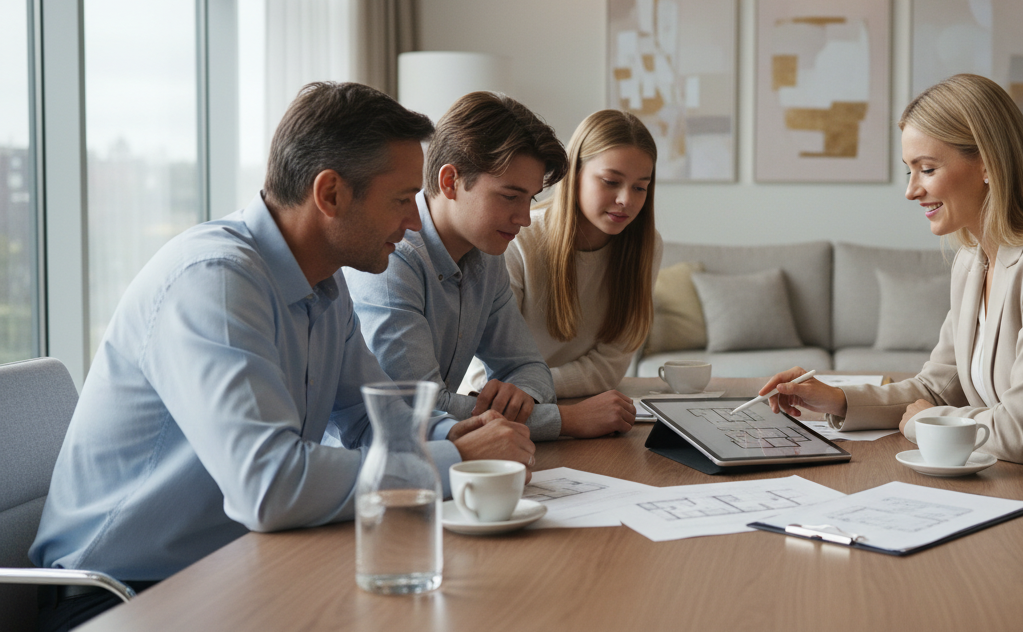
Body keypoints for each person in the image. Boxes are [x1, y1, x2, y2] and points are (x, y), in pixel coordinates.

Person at [29, 83, 534, 632]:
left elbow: (371, 419)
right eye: (400, 200)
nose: (415, 222)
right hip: (119, 597)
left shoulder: (324, 284)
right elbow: (269, 486)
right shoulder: (217, 282)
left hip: (236, 568)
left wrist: (460, 437)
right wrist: (453, 460)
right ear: (330, 194)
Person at [759, 74, 1023, 613]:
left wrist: (921, 423)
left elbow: (1021, 434)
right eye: (909, 170)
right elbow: (937, 385)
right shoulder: (973, 259)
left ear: (988, 163)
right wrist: (839, 399)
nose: (911, 190)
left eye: (927, 169)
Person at [347, 92, 635, 439]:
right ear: (450, 182)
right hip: (376, 460)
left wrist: (522, 397)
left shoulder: (487, 254)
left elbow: (529, 368)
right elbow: (423, 408)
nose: (525, 218)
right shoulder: (392, 260)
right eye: (510, 196)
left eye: (529, 199)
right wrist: (566, 419)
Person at [464, 109, 662, 399]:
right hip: (500, 409)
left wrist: (530, 388)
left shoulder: (647, 247)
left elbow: (609, 367)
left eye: (640, 187)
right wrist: (532, 392)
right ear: (574, 173)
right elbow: (483, 376)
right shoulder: (518, 238)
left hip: (569, 402)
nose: (626, 200)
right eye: (610, 181)